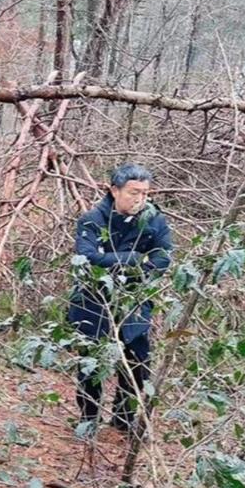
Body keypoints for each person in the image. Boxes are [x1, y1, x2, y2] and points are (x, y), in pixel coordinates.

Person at [67, 164, 172, 435]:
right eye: (133, 192)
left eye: (145, 193)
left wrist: (118, 263)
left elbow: (161, 260)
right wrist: (135, 259)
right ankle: (88, 419)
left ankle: (122, 421)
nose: (140, 199)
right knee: (92, 363)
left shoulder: (155, 220)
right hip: (93, 301)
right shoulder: (92, 219)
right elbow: (89, 259)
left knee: (136, 362)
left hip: (135, 301)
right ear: (114, 190)